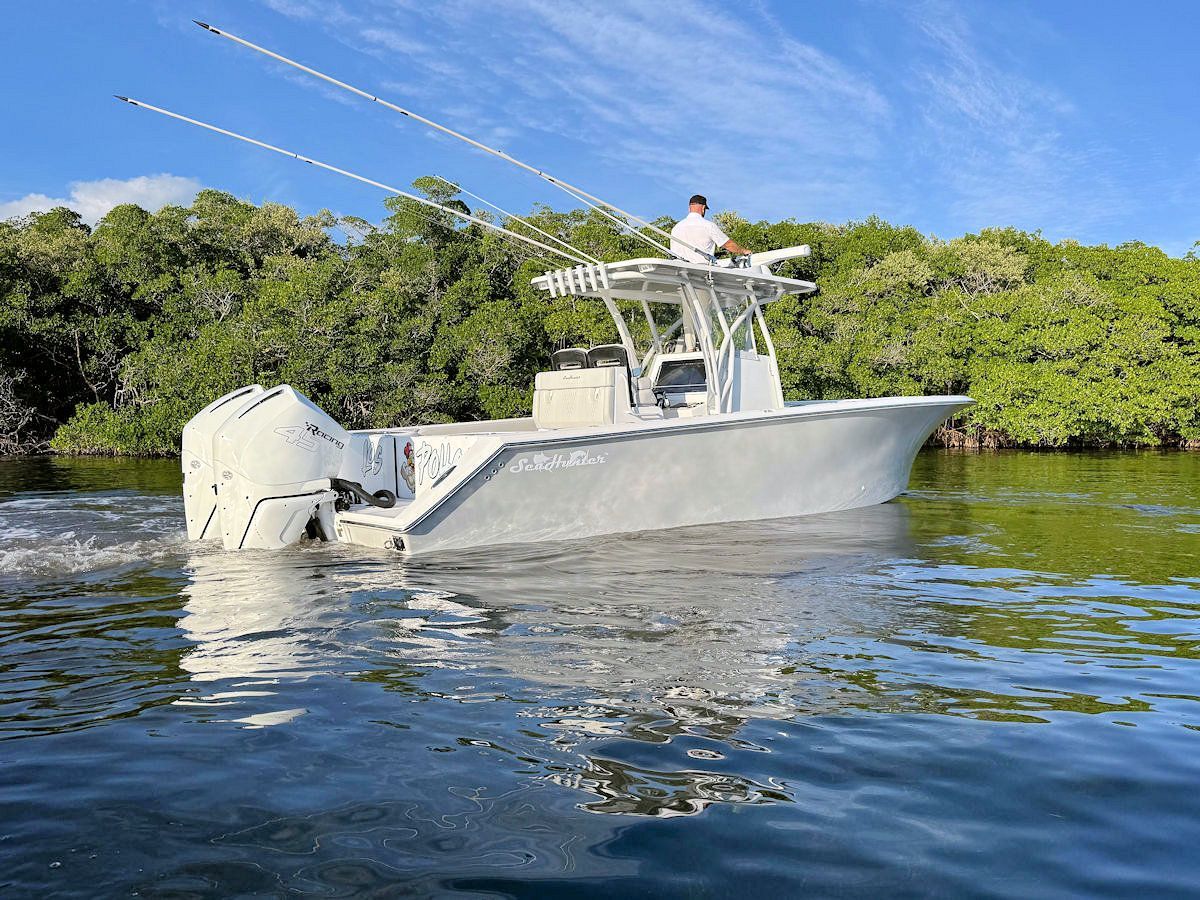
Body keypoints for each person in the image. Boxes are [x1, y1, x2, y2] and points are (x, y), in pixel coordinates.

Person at [669, 194, 752, 264]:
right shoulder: (708, 226)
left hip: (679, 272)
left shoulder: (676, 228)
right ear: (703, 208)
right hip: (701, 272)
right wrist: (744, 251)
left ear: (689, 208)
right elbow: (728, 244)